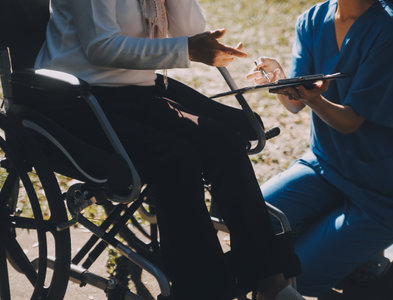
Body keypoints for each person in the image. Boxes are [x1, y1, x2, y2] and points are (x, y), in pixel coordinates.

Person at [35, 0, 303, 299]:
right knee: (175, 158)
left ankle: (269, 280)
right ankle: (203, 290)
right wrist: (186, 49)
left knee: (222, 140)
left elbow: (190, 30)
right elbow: (101, 47)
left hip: (135, 92)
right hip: (76, 99)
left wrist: (187, 37)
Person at [247, 0, 393, 297]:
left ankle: (369, 245)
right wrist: (279, 80)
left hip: (381, 191)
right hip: (324, 166)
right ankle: (351, 248)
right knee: (251, 219)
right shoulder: (313, 19)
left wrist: (314, 99)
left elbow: (349, 121)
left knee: (296, 274)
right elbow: (295, 103)